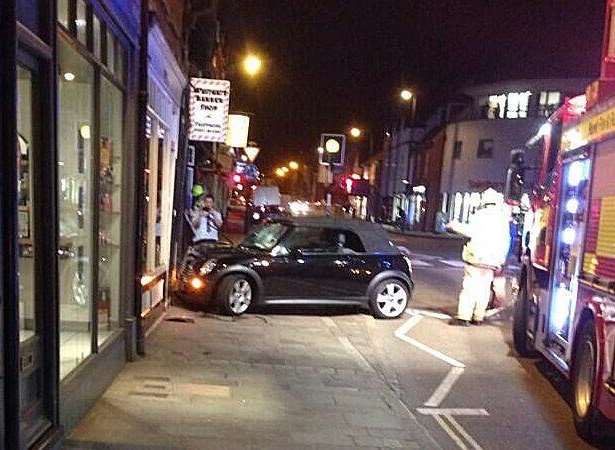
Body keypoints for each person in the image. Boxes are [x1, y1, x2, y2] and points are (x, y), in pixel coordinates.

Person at [448, 188, 511, 326]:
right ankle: (478, 317)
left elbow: (471, 231)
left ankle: (464, 317)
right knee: (483, 289)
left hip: (476, 258)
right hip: (492, 261)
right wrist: (501, 260)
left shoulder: (481, 215)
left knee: (470, 287)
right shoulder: (502, 219)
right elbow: (506, 241)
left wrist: (454, 225)